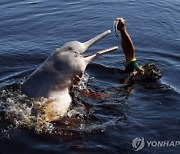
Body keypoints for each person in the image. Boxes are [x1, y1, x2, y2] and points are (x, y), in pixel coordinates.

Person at [114, 18, 162, 83]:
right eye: (138, 69)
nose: (135, 73)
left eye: (140, 74)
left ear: (145, 81)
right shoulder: (133, 71)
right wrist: (122, 29)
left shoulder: (133, 90)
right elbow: (130, 53)